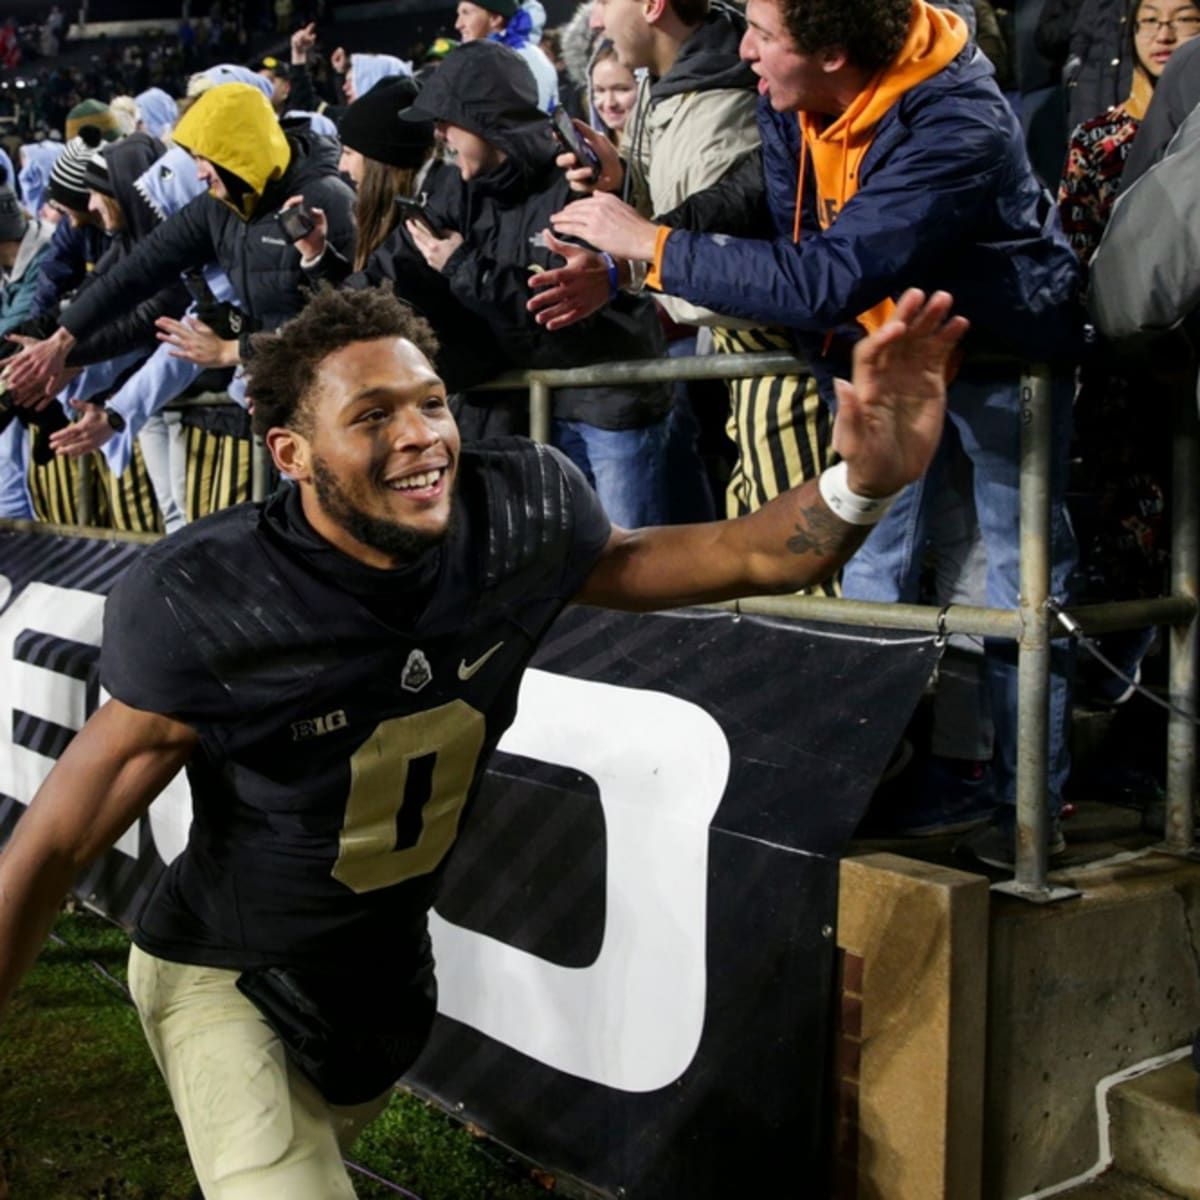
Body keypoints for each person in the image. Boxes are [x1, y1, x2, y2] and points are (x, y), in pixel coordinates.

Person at [0, 282, 966, 1199]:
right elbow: (58, 839)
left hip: (385, 982)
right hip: (228, 973)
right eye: (373, 415)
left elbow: (737, 553)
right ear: (291, 455)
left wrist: (861, 486)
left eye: (431, 402)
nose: (421, 436)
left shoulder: (518, 514)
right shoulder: (210, 600)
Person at [546, 0, 1082, 865]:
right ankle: (873, 791)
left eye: (764, 34)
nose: (744, 48)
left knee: (1009, 586)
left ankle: (1029, 817)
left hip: (996, 365)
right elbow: (761, 197)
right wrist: (625, 255)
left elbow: (828, 274)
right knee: (871, 583)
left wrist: (650, 246)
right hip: (873, 367)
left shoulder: (959, 120)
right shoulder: (792, 87)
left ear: (833, 53)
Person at [454, 0, 559, 110]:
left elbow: (528, 122)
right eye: (459, 14)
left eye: (466, 13)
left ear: (495, 19)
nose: (458, 24)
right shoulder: (478, 59)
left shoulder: (526, 58)